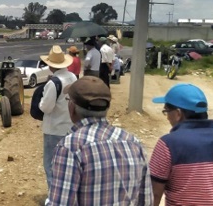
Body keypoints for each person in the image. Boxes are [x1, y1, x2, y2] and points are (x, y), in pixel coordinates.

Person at [48, 76, 152, 205]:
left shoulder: (71, 147)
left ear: (72, 107)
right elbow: (146, 200)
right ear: (106, 108)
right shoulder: (133, 142)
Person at [149, 83, 213, 205]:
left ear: (178, 113)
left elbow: (154, 193)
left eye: (167, 111)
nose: (167, 117)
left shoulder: (167, 144)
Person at [38, 45, 77, 191]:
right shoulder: (72, 77)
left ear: (50, 65)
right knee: (67, 165)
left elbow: (46, 107)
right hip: (70, 126)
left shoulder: (53, 83)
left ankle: (55, 198)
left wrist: (41, 100)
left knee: (51, 165)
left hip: (54, 129)